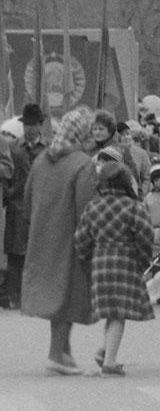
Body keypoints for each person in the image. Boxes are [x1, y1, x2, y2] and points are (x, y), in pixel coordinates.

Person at [21, 107, 97, 375]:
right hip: (71, 237)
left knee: (57, 293)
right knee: (69, 294)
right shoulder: (82, 163)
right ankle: (55, 354)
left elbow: (27, 199)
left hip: (42, 236)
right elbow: (86, 206)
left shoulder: (42, 159)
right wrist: (90, 238)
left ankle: (65, 353)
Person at [73, 163, 156, 376]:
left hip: (100, 262)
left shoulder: (93, 206)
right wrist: (144, 260)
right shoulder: (133, 207)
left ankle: (104, 351)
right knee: (118, 314)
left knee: (112, 312)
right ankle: (109, 361)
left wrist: (87, 259)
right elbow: (146, 236)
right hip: (126, 262)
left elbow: (81, 239)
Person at [2, 103, 42, 310]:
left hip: (40, 207)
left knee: (36, 252)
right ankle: (14, 295)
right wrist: (8, 195)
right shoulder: (14, 148)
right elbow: (9, 176)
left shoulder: (48, 149)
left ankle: (34, 296)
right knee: (15, 252)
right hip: (17, 206)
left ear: (40, 126)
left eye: (33, 124)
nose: (29, 128)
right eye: (26, 124)